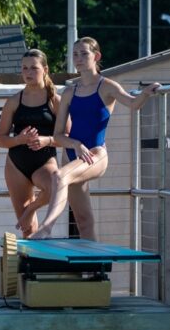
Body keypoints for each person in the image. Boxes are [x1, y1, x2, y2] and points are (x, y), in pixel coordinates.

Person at [31, 37, 160, 240]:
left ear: (96, 56)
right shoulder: (69, 92)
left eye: (84, 53)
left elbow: (133, 103)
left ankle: (46, 228)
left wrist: (145, 93)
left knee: (58, 176)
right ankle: (92, 270)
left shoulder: (107, 86)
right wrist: (75, 144)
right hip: (72, 155)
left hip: (95, 155)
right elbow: (57, 135)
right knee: (83, 219)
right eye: (75, 54)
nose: (79, 58)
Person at [0, 49, 61, 237]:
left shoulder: (54, 101)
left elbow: (67, 137)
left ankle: (31, 209)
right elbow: (0, 140)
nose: (28, 72)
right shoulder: (14, 101)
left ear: (45, 70)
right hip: (17, 165)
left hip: (44, 162)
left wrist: (45, 140)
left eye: (34, 68)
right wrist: (19, 139)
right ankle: (28, 266)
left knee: (55, 187)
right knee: (28, 229)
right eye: (25, 68)